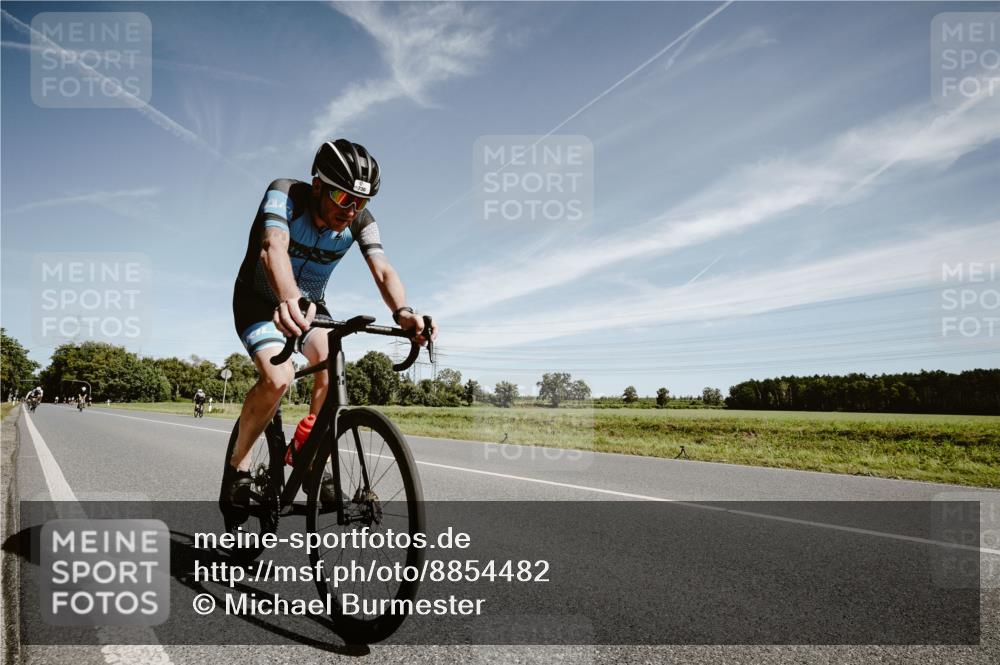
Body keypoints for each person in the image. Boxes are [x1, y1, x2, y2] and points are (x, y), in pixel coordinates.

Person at [223, 139, 437, 505]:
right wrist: (287, 297)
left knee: (330, 361)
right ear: (318, 186)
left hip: (311, 305)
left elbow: (383, 269)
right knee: (279, 378)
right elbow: (272, 246)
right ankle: (238, 466)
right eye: (343, 198)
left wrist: (403, 311)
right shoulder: (285, 195)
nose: (351, 210)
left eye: (361, 202)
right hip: (259, 302)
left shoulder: (362, 222)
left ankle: (310, 458)